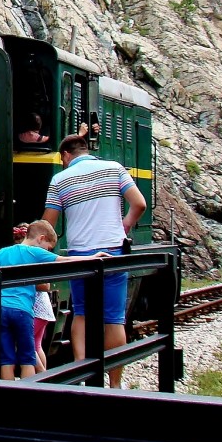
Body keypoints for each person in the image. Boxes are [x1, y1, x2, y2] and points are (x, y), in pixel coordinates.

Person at [42, 133, 147, 388]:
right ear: (86, 150)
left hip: (81, 255)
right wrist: (124, 225)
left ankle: (84, 374)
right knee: (113, 318)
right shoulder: (115, 169)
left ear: (65, 155)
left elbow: (48, 226)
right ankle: (115, 384)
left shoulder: (60, 179)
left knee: (82, 314)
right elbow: (139, 204)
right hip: (113, 252)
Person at [0, 219, 88, 380]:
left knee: (6, 360)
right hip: (22, 311)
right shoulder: (35, 252)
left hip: (1, 309)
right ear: (41, 239)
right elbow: (67, 261)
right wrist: (94, 257)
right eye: (48, 248)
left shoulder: (3, 252)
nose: (48, 251)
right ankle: (29, 396)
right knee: (27, 359)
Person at [33, 285, 57, 372]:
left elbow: (45, 285)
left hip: (35, 309)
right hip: (43, 308)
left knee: (25, 343)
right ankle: (44, 377)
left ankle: (41, 372)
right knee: (37, 346)